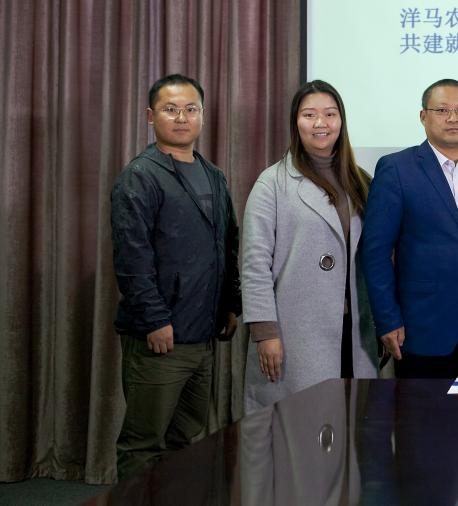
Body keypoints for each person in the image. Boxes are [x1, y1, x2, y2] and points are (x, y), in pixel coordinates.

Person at [111, 73, 240, 479]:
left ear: (202, 115)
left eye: (190, 109)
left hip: (203, 336)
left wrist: (231, 304)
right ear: (151, 116)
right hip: (161, 337)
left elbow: (228, 245)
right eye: (170, 109)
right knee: (144, 443)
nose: (181, 117)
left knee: (184, 438)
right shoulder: (140, 176)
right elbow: (132, 257)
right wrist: (154, 319)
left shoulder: (212, 174)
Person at [360, 79, 458, 378]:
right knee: (421, 409)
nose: (453, 118)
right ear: (423, 116)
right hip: (420, 328)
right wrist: (387, 319)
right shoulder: (396, 169)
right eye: (442, 110)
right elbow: (376, 252)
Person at [241, 80, 378, 412]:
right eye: (309, 115)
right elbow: (254, 263)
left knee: (354, 424)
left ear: (341, 121)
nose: (321, 123)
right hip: (295, 332)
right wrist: (265, 332)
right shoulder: (272, 182)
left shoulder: (362, 181)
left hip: (355, 332)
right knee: (301, 425)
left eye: (330, 114)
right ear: (296, 122)